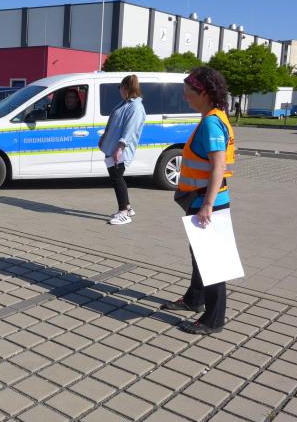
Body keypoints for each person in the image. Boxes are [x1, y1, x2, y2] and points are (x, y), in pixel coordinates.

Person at [161, 67, 235, 335]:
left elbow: (218, 166)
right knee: (200, 255)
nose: (185, 98)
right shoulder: (215, 116)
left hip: (207, 200)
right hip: (200, 198)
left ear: (203, 93)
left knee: (212, 262)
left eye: (188, 93)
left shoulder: (212, 123)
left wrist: (207, 205)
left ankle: (213, 320)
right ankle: (194, 299)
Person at [98, 74, 147, 225]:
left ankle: (123, 212)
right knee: (117, 178)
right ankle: (128, 207)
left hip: (119, 150)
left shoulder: (135, 107)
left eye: (120, 87)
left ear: (126, 88)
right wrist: (104, 137)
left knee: (117, 179)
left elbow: (130, 130)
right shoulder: (126, 103)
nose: (119, 90)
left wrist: (119, 148)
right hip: (112, 147)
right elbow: (114, 122)